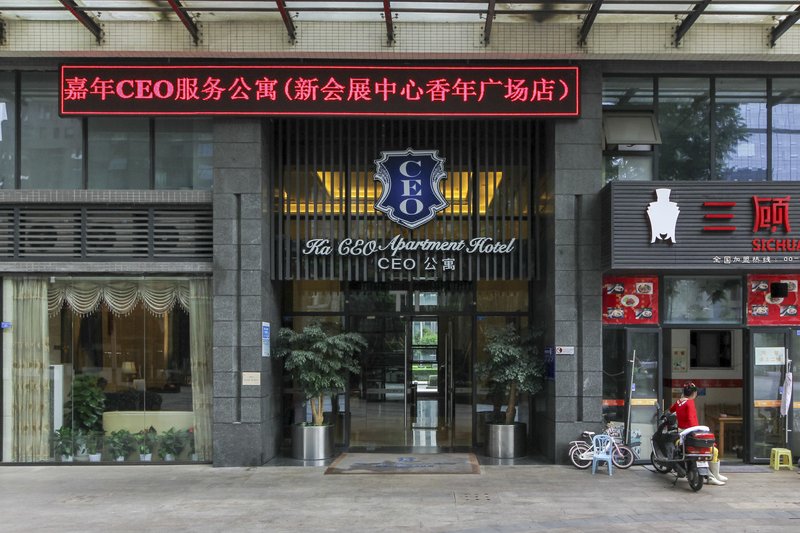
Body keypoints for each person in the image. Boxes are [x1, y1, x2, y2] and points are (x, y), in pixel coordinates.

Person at [669, 382, 727, 486]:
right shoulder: (690, 402)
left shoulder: (678, 402)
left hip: (682, 434)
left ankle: (715, 475)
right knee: (714, 450)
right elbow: (692, 419)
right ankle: (712, 476)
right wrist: (698, 432)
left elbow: (671, 410)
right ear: (694, 393)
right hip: (692, 434)